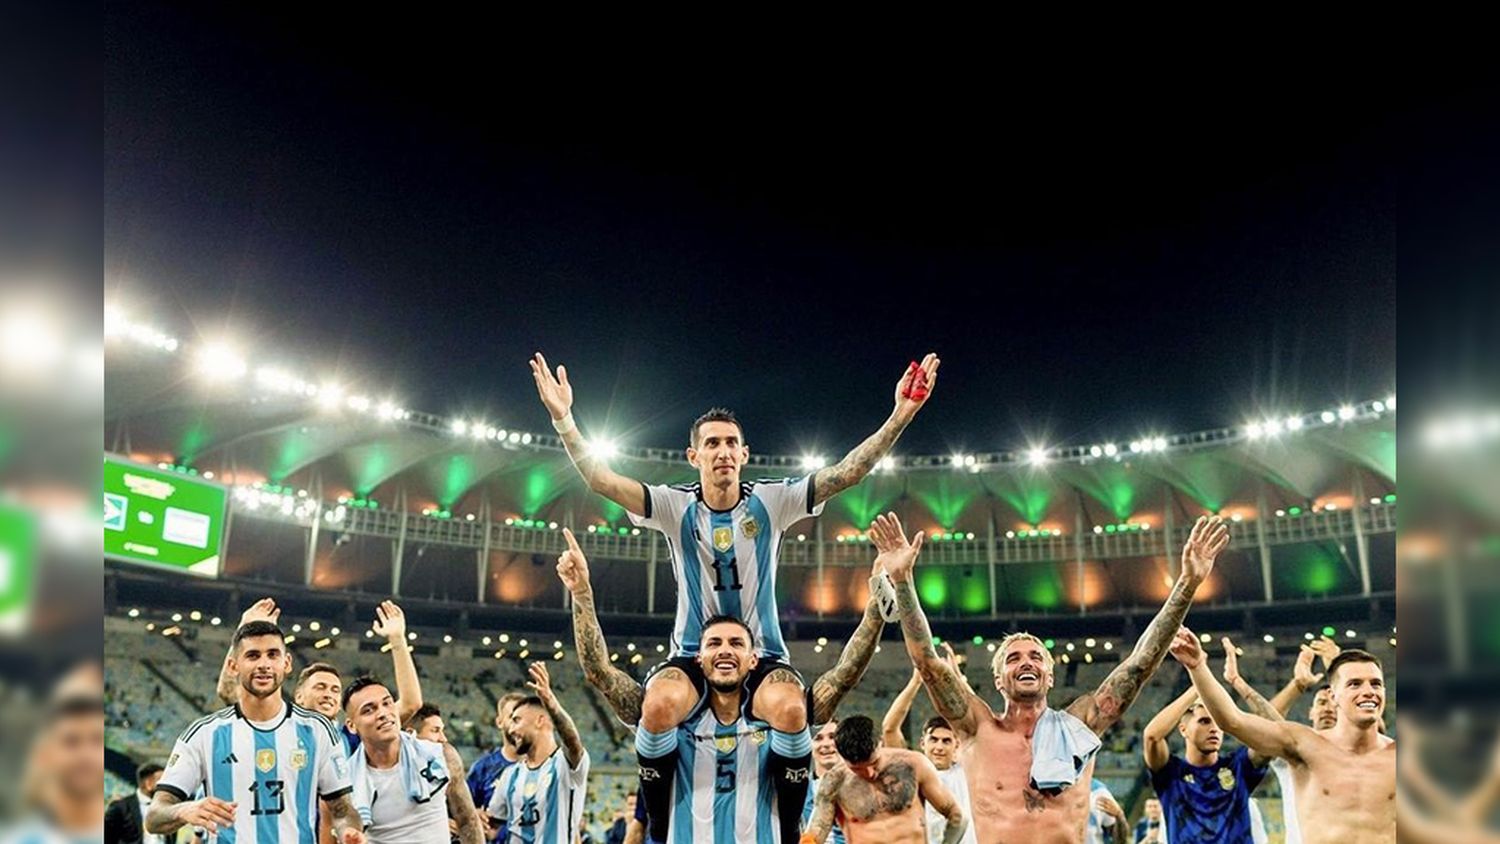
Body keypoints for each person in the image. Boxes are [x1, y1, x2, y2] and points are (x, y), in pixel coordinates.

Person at [532, 352, 939, 843]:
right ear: (694, 456)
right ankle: (659, 823)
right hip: (690, 653)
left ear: (744, 454)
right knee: (657, 705)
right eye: (712, 444)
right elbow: (600, 480)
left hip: (764, 653)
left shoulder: (772, 499)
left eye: (730, 443)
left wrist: (900, 415)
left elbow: (846, 473)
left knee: (791, 712)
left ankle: (789, 825)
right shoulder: (671, 504)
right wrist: (564, 419)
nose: (722, 451)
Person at [880, 511, 1231, 844]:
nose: (1026, 662)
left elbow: (1139, 666)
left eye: (1035, 657)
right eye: (1013, 659)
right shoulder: (976, 729)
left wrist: (1186, 584)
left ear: (1049, 676)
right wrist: (902, 581)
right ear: (1000, 680)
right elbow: (927, 662)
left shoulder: (1080, 726)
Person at [146, 620, 366, 844]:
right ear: (233, 666)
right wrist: (183, 810)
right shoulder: (203, 734)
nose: (264, 664)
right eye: (253, 656)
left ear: (286, 663)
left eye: (273, 655)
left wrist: (351, 832)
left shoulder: (318, 731)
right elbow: (155, 816)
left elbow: (342, 810)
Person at [1171, 631, 1395, 844]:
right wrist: (1197, 666)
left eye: (1376, 684)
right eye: (1355, 683)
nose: (1369, 691)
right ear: (1333, 696)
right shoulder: (1304, 745)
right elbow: (1232, 720)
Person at [216, 599, 425, 753]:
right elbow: (227, 690)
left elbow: (410, 704)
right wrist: (245, 629)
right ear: (298, 696)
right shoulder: (278, 729)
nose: (329, 694)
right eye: (320, 687)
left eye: (335, 690)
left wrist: (397, 639)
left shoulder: (351, 738)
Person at [343, 676, 481, 844]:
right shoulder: (344, 782)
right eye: (368, 710)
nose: (383, 713)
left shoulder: (441, 756)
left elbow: (468, 820)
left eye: (387, 703)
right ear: (351, 726)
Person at [802, 715, 967, 844]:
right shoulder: (833, 783)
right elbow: (814, 836)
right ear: (842, 757)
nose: (870, 773)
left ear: (879, 743)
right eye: (857, 769)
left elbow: (957, 816)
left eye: (874, 763)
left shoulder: (914, 765)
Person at [486, 664, 589, 844]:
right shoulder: (510, 775)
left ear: (540, 721)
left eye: (517, 720)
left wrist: (551, 703)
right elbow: (491, 826)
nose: (511, 729)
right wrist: (476, 820)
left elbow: (572, 741)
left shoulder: (565, 765)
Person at [466, 692, 527, 842]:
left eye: (523, 719)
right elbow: (463, 813)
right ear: (499, 722)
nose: (518, 725)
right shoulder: (483, 769)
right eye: (513, 718)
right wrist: (474, 816)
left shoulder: (546, 767)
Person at [803, 721, 847, 844]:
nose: (826, 744)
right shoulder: (799, 789)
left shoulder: (861, 784)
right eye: (818, 738)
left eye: (832, 737)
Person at [106, 763, 166, 844]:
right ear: (148, 783)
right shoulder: (121, 807)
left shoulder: (165, 808)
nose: (166, 785)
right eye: (161, 780)